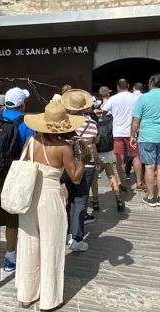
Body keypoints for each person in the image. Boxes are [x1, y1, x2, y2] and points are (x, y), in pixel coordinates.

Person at [16, 101, 91, 312]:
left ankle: (27, 295)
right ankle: (50, 299)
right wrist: (83, 159)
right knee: (52, 246)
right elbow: (75, 179)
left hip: (29, 196)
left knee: (29, 243)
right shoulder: (64, 148)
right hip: (50, 197)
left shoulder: (31, 141)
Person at [0, 87, 35, 271]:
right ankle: (10, 257)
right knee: (12, 214)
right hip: (14, 173)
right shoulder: (26, 122)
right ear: (22, 104)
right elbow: (28, 150)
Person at [60, 89, 97, 252]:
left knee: (67, 199)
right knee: (80, 200)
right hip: (85, 165)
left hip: (66, 165)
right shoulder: (92, 124)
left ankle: (67, 232)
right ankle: (77, 237)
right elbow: (95, 141)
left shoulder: (63, 124)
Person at [131, 73, 160, 207]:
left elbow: (136, 119)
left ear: (152, 83)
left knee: (149, 166)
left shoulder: (143, 98)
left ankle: (151, 197)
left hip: (147, 136)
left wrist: (132, 135)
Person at [103, 79, 145, 192]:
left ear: (117, 87)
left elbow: (103, 111)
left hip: (117, 132)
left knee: (119, 159)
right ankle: (139, 182)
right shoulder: (136, 98)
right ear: (128, 86)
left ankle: (123, 183)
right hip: (131, 132)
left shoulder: (113, 98)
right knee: (136, 157)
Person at [91, 97, 125, 212]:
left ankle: (95, 202)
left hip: (97, 150)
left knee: (95, 178)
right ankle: (118, 199)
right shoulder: (109, 115)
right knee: (111, 174)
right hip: (109, 149)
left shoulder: (91, 117)